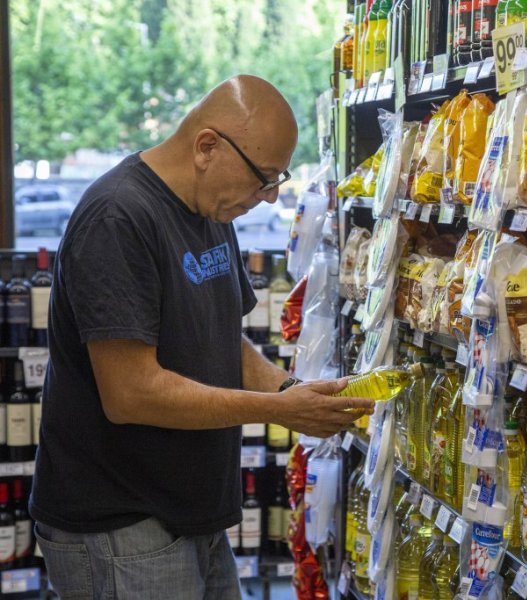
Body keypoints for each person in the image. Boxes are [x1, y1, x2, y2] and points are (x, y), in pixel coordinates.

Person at [28, 75, 374, 599]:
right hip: (123, 526)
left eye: (278, 178)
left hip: (189, 517)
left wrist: (288, 392)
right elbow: (130, 393)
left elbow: (218, 339)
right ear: (207, 146)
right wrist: (276, 411)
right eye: (264, 177)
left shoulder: (211, 207)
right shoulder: (117, 219)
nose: (271, 196)